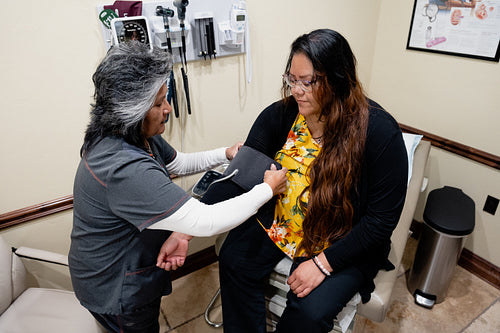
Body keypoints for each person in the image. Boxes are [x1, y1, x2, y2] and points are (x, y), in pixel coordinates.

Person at [68, 41, 287, 333]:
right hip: (114, 287)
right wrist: (267, 189)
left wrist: (224, 153)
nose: (168, 109)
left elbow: (177, 163)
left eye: (165, 98)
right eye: (159, 104)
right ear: (132, 110)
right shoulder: (123, 166)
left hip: (127, 265)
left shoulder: (132, 133)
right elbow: (206, 221)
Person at [216, 29, 408, 332]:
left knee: (309, 312)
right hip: (282, 224)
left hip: (341, 238)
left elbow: (381, 220)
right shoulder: (281, 116)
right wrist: (188, 230)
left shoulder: (379, 132)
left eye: (307, 82)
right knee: (233, 260)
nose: (296, 90)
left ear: (338, 79)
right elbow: (241, 175)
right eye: (291, 79)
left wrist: (323, 264)